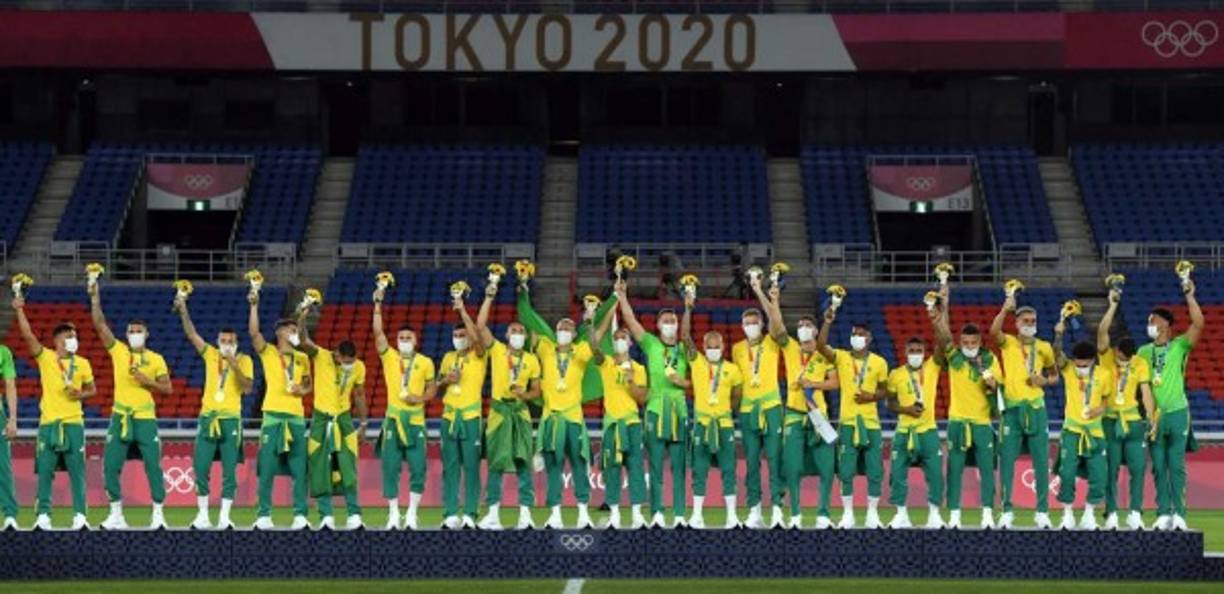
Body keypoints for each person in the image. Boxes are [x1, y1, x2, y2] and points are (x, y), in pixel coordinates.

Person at [90, 283, 173, 530]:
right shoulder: (119, 351)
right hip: (120, 416)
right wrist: (95, 298)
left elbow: (168, 389)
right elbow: (100, 325)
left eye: (139, 330)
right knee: (110, 465)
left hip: (145, 418)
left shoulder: (156, 359)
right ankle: (117, 515)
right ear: (126, 335)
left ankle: (158, 514)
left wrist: (148, 382)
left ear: (147, 334)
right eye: (131, 331)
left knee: (153, 467)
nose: (135, 333)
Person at [616, 279, 691, 528]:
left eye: (673, 320)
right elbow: (631, 322)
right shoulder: (651, 344)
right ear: (658, 326)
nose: (669, 323)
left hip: (679, 410)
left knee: (679, 469)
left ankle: (680, 515)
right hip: (655, 410)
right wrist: (623, 297)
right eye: (665, 321)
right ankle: (657, 514)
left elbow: (698, 382)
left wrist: (688, 309)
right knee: (656, 468)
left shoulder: (684, 348)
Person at [14, 297, 94, 530]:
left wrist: (78, 394)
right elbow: (28, 336)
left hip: (74, 424)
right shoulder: (46, 357)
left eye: (74, 336)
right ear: (57, 341)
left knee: (77, 472)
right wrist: (19, 310)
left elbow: (92, 391)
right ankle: (43, 516)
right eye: (68, 336)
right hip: (49, 424)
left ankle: (80, 516)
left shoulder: (84, 363)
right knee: (46, 472)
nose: (73, 340)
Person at [177, 297, 253, 530]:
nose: (227, 344)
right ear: (217, 342)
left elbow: (247, 388)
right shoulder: (210, 354)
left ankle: (224, 517)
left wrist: (234, 364)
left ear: (237, 343)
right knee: (201, 468)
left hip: (231, 420)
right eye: (223, 340)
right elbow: (192, 335)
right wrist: (183, 309)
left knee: (229, 470)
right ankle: (202, 515)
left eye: (231, 341)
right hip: (208, 418)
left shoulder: (245, 360)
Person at [473, 283, 542, 531]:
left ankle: (525, 515)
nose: (517, 333)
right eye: (513, 330)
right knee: (496, 463)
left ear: (525, 336)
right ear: (506, 335)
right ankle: (493, 514)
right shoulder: (498, 350)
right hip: (499, 412)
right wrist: (489, 296)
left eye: (521, 331)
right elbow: (480, 327)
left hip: (521, 412)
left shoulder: (532, 359)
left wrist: (526, 394)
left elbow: (538, 391)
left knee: (523, 463)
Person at [1138, 278, 1203, 531]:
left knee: (1176, 465)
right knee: (1158, 466)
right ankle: (1163, 513)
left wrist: (1189, 295)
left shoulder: (1179, 346)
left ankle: (1180, 514)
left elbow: (1199, 324)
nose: (1149, 324)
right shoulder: (1143, 352)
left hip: (1178, 412)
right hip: (1154, 416)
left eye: (1152, 320)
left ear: (1165, 324)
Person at [932, 287, 1001, 530]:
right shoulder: (955, 358)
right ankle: (954, 515)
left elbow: (998, 391)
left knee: (986, 471)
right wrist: (943, 306)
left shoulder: (990, 359)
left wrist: (992, 384)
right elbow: (943, 336)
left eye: (973, 342)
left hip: (982, 423)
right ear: (960, 343)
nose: (969, 345)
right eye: (965, 342)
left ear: (980, 342)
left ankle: (986, 514)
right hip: (958, 422)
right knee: (955, 470)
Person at [770, 291, 839, 529]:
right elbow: (777, 328)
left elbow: (835, 383)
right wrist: (775, 299)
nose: (802, 328)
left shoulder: (825, 352)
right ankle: (796, 514)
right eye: (800, 325)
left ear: (816, 331)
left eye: (808, 325)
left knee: (827, 467)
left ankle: (823, 514)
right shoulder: (790, 348)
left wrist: (814, 384)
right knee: (792, 466)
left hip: (819, 415)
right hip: (793, 414)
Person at [296, 305, 368, 530]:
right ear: (337, 355)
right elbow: (303, 340)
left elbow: (359, 395)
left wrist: (364, 423)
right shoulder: (321, 356)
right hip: (321, 419)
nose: (348, 365)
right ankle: (326, 515)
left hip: (344, 420)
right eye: (344, 360)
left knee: (348, 467)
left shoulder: (359, 367)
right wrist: (302, 317)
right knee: (319, 467)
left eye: (351, 361)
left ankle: (354, 514)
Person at [815, 308, 889, 529]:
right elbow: (820, 347)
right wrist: (827, 322)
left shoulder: (879, 362)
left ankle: (872, 514)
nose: (858, 338)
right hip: (847, 422)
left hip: (871, 424)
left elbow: (885, 391)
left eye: (862, 335)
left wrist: (872, 396)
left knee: (875, 470)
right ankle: (847, 513)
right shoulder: (841, 356)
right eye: (855, 334)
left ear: (869, 338)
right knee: (846, 470)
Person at [990, 294, 1058, 530]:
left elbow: (1054, 375)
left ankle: (1042, 512)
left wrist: (1045, 381)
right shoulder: (1008, 342)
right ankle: (1007, 511)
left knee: (1041, 463)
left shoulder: (1044, 347)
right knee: (1006, 462)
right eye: (1025, 321)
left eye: (1032, 321)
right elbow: (993, 332)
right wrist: (1005, 309)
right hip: (1012, 410)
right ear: (1016, 323)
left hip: (1037, 409)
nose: (1029, 324)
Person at [372, 284, 437, 530]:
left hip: (416, 421)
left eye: (408, 338)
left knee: (418, 468)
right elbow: (378, 333)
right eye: (401, 338)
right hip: (393, 420)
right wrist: (377, 304)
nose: (404, 341)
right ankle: (392, 514)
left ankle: (411, 513)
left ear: (416, 340)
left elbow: (432, 390)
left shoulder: (425, 362)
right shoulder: (389, 357)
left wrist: (418, 399)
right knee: (390, 468)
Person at [249, 292, 312, 530]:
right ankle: (264, 514)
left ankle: (300, 515)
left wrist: (301, 390)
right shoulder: (268, 352)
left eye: (296, 330)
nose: (295, 334)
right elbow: (254, 334)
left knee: (299, 469)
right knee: (267, 468)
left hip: (296, 417)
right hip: (273, 417)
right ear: (280, 333)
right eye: (291, 330)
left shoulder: (303, 358)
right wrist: (254, 305)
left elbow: (309, 385)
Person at [1096, 288, 1155, 531]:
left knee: (1138, 470)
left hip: (1132, 422)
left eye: (1128, 358)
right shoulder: (1107, 357)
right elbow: (1101, 332)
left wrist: (1151, 417)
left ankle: (1135, 513)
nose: (1125, 361)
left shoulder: (1140, 362)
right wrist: (1112, 305)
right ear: (1117, 351)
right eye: (1123, 357)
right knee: (1110, 471)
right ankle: (1110, 513)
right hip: (1110, 420)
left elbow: (1146, 392)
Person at [732, 278, 787, 529]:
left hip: (772, 407)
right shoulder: (736, 349)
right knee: (751, 461)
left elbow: (776, 323)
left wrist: (759, 291)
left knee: (775, 459)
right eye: (747, 323)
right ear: (741, 326)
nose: (751, 326)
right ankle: (754, 510)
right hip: (747, 409)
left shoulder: (771, 341)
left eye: (755, 322)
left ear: (762, 325)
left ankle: (777, 509)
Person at [590, 296, 649, 529]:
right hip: (612, 425)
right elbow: (593, 345)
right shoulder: (606, 364)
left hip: (633, 424)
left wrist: (632, 382)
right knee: (612, 470)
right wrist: (596, 318)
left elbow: (642, 398)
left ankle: (636, 515)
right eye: (616, 338)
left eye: (623, 338)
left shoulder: (640, 369)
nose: (619, 341)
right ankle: (613, 514)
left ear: (630, 342)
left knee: (635, 468)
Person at [534, 313, 596, 529]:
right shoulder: (545, 348)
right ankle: (555, 515)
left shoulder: (580, 351)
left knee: (579, 465)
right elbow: (529, 319)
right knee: (554, 467)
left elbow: (596, 344)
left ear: (574, 335)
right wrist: (522, 288)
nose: (564, 332)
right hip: (551, 418)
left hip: (574, 418)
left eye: (569, 329)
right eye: (561, 327)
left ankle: (583, 514)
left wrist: (590, 322)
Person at [439, 295, 490, 530]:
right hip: (449, 418)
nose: (459, 339)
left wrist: (462, 311)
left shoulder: (479, 354)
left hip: (470, 418)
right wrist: (445, 380)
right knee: (450, 468)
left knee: (471, 467)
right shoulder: (448, 358)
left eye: (463, 336)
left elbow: (478, 337)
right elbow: (438, 387)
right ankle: (450, 513)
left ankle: (470, 513)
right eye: (456, 336)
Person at [685, 325, 743, 530]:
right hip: (701, 424)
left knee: (729, 470)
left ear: (723, 347)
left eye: (716, 346)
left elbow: (737, 396)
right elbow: (685, 335)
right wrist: (688, 308)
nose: (712, 349)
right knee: (699, 471)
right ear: (703, 347)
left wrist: (726, 412)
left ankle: (731, 517)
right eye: (708, 346)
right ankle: (697, 516)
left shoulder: (733, 370)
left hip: (724, 425)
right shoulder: (697, 362)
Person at [1050, 335, 1110, 531]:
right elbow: (1056, 353)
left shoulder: (1104, 374)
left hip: (1095, 433)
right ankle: (1067, 514)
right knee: (1067, 473)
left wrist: (1099, 410)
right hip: (1072, 431)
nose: (1081, 366)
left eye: (1085, 363)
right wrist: (1059, 334)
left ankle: (1089, 514)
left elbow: (1106, 401)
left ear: (1093, 360)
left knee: (1099, 476)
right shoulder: (1068, 369)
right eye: (1078, 362)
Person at [886, 336, 945, 530]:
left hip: (928, 430)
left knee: (935, 474)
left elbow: (943, 342)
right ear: (905, 353)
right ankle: (901, 514)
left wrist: (938, 314)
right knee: (897, 474)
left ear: (925, 352)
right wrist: (907, 410)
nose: (915, 354)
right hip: (904, 431)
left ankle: (934, 515)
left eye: (919, 350)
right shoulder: (895, 374)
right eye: (912, 351)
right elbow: (890, 403)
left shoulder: (932, 367)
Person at [0, 343, 16, 531]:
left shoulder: (3, 352)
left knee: (3, 468)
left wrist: (12, 419)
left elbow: (10, 385)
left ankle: (10, 515)